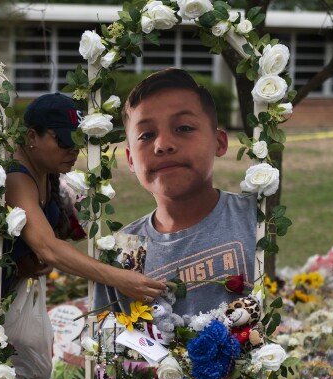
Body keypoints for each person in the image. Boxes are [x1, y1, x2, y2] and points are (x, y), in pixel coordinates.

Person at [0, 93, 165, 317]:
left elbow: (40, 243)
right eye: (64, 141)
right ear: (32, 136)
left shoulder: (44, 171)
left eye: (78, 142)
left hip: (0, 299)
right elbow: (48, 247)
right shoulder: (15, 177)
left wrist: (25, 258)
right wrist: (119, 278)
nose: (73, 150)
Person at [95, 68, 257, 318]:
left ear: (219, 143)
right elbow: (109, 349)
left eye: (183, 128)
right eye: (146, 135)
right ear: (130, 160)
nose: (163, 145)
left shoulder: (257, 219)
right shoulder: (124, 251)